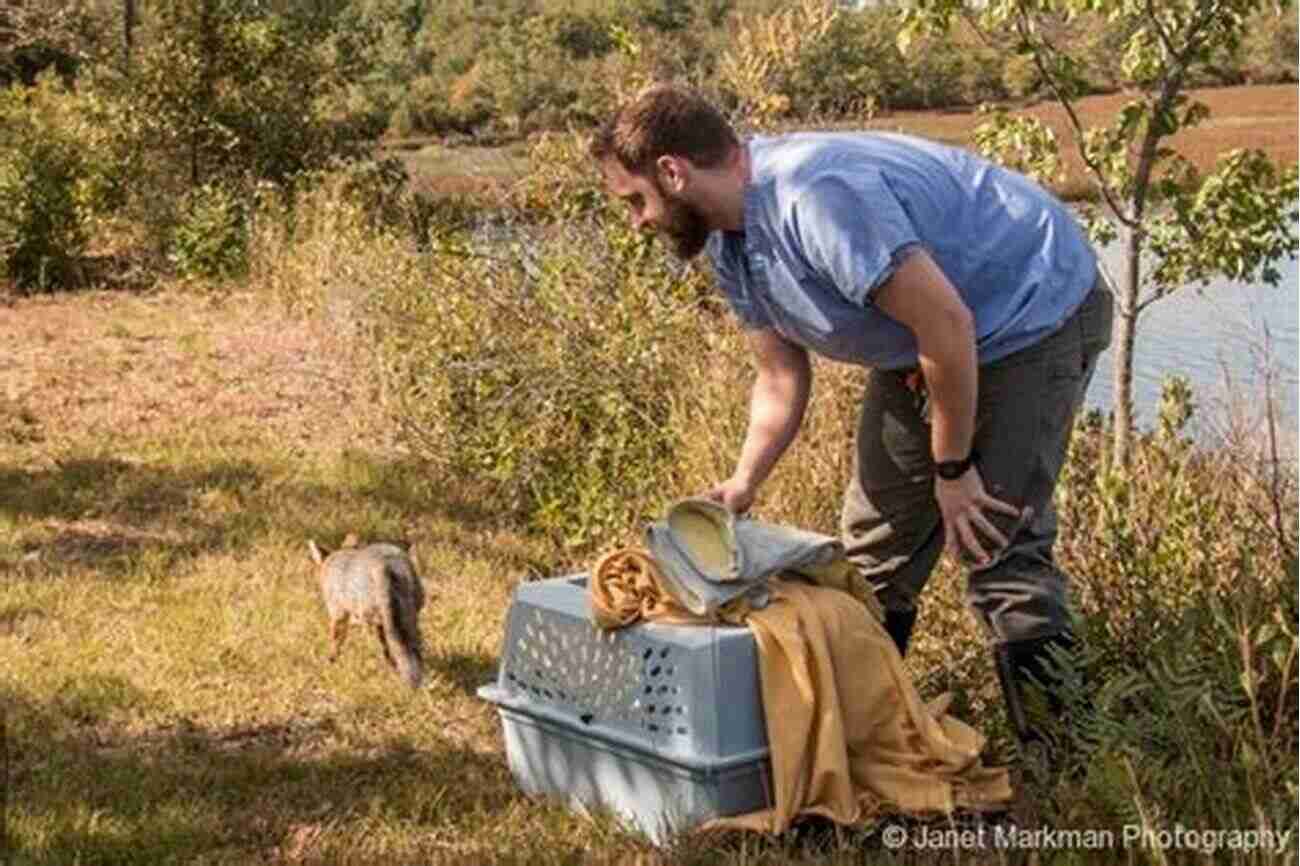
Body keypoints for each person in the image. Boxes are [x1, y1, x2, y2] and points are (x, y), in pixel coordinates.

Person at [588, 83, 1113, 759]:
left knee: (995, 544)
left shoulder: (816, 196)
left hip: (1029, 314)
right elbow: (780, 374)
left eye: (635, 201)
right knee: (870, 554)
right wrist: (743, 482)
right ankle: (866, 747)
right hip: (928, 344)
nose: (636, 221)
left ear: (672, 171)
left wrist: (953, 468)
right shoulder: (728, 242)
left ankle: (1065, 768)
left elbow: (947, 322)